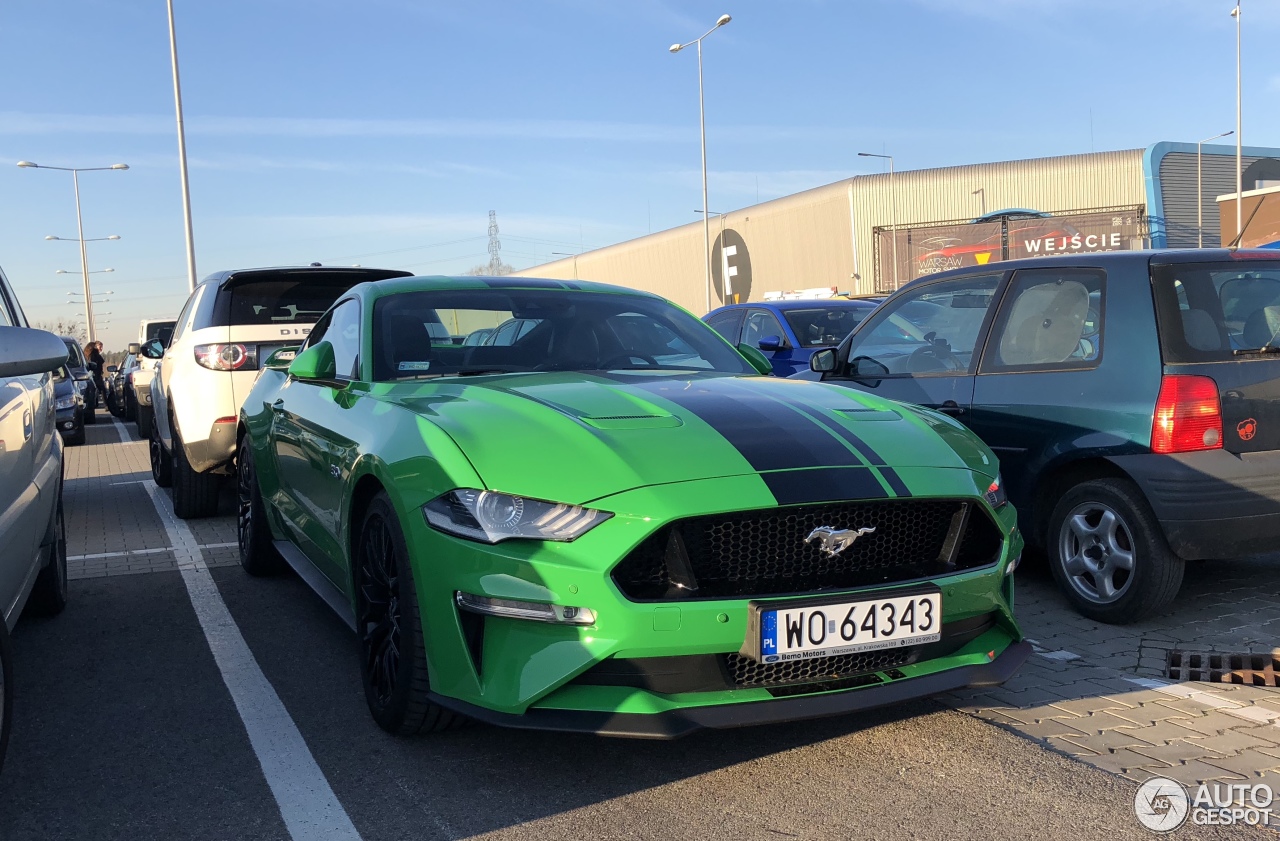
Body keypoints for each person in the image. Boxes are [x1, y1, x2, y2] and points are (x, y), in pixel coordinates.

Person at [86, 341, 106, 408]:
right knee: (102, 390)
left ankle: (96, 404)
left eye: (101, 347)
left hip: (94, 375)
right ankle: (106, 405)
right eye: (100, 347)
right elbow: (98, 364)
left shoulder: (87, 355)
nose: (101, 349)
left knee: (96, 390)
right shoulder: (94, 355)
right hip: (95, 375)